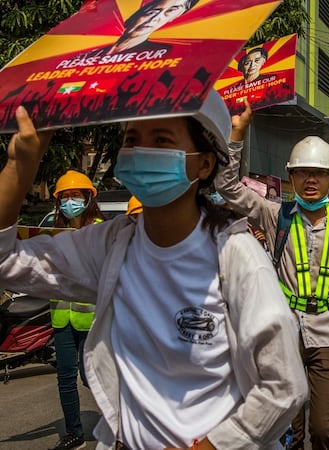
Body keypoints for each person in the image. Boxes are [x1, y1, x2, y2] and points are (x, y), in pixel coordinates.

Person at [0, 91, 307, 449]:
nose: (142, 152)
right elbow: (6, 261)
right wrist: (20, 166)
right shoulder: (112, 244)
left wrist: (215, 445)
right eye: (132, 140)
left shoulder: (236, 255)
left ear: (204, 164)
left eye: (161, 140)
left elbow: (284, 385)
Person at [214, 101, 329, 450]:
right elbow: (227, 188)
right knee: (289, 432)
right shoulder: (275, 214)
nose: (310, 180)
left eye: (318, 173)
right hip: (284, 334)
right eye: (302, 172)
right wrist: (236, 136)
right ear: (291, 177)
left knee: (324, 429)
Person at [48, 170, 106, 450]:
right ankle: (74, 433)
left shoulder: (100, 230)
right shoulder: (52, 231)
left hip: (92, 318)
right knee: (65, 376)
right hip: (61, 316)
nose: (70, 201)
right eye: (65, 196)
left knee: (90, 376)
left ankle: (118, 424)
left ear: (88, 197)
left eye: (75, 195)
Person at [108, 0, 199, 55]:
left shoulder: (163, 53)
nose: (154, 19)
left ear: (177, 15)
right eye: (152, 12)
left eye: (171, 11)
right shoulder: (97, 50)